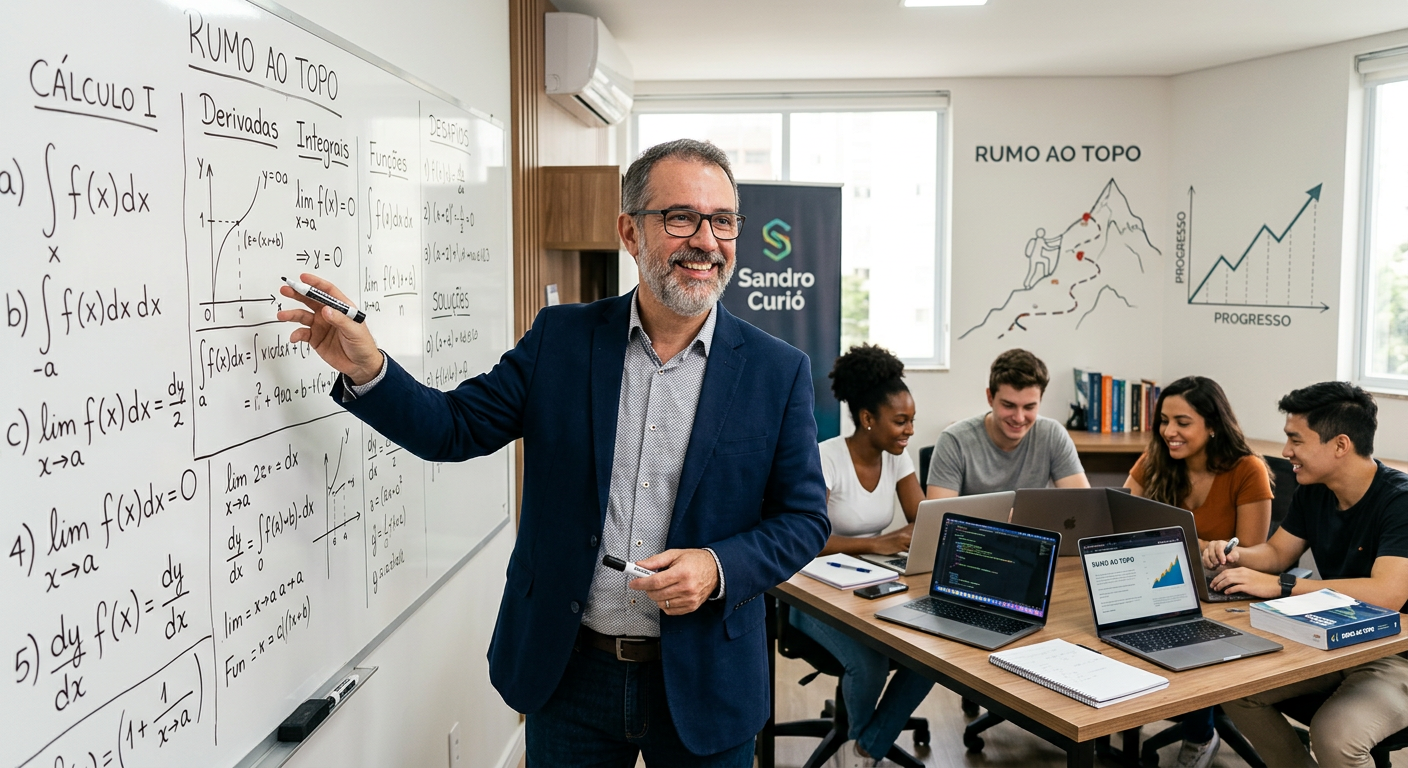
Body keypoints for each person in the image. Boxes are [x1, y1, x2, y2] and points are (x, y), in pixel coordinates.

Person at [277, 138, 830, 766]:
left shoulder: (778, 371)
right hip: (570, 673)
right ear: (631, 231)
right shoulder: (561, 339)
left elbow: (804, 520)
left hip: (706, 679)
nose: (705, 239)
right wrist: (371, 367)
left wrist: (717, 567)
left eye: (722, 220)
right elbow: (452, 428)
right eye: (680, 217)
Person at [1204, 382, 1408, 768]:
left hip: (1395, 655)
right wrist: (1234, 554)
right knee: (1234, 687)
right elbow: (1278, 553)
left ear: (1340, 445)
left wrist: (1284, 586)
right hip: (1330, 642)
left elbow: (1387, 595)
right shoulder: (1314, 489)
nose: (1286, 453)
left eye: (1295, 440)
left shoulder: (1400, 501)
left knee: (1335, 738)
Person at [790, 344, 930, 766]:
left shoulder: (897, 457)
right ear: (868, 419)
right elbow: (804, 537)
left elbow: (923, 520)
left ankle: (865, 747)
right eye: (900, 421)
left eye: (912, 421)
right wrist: (877, 543)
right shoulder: (826, 458)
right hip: (811, 592)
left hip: (871, 584)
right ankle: (862, 746)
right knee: (868, 666)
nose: (909, 431)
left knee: (931, 657)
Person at [1123, 375, 1274, 768]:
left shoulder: (1247, 470)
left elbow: (1255, 553)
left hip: (1223, 589)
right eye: (1164, 420)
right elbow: (1118, 516)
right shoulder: (1155, 459)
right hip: (1159, 579)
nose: (1169, 431)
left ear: (1212, 425)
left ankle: (1200, 734)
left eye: (1182, 422)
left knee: (1191, 632)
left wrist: (1219, 549)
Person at [926, 348, 1089, 499]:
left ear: (1040, 401)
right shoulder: (954, 440)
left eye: (1029, 407)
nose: (1019, 418)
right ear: (990, 397)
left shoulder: (1052, 434)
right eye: (1008, 405)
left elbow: (1083, 505)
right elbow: (938, 519)